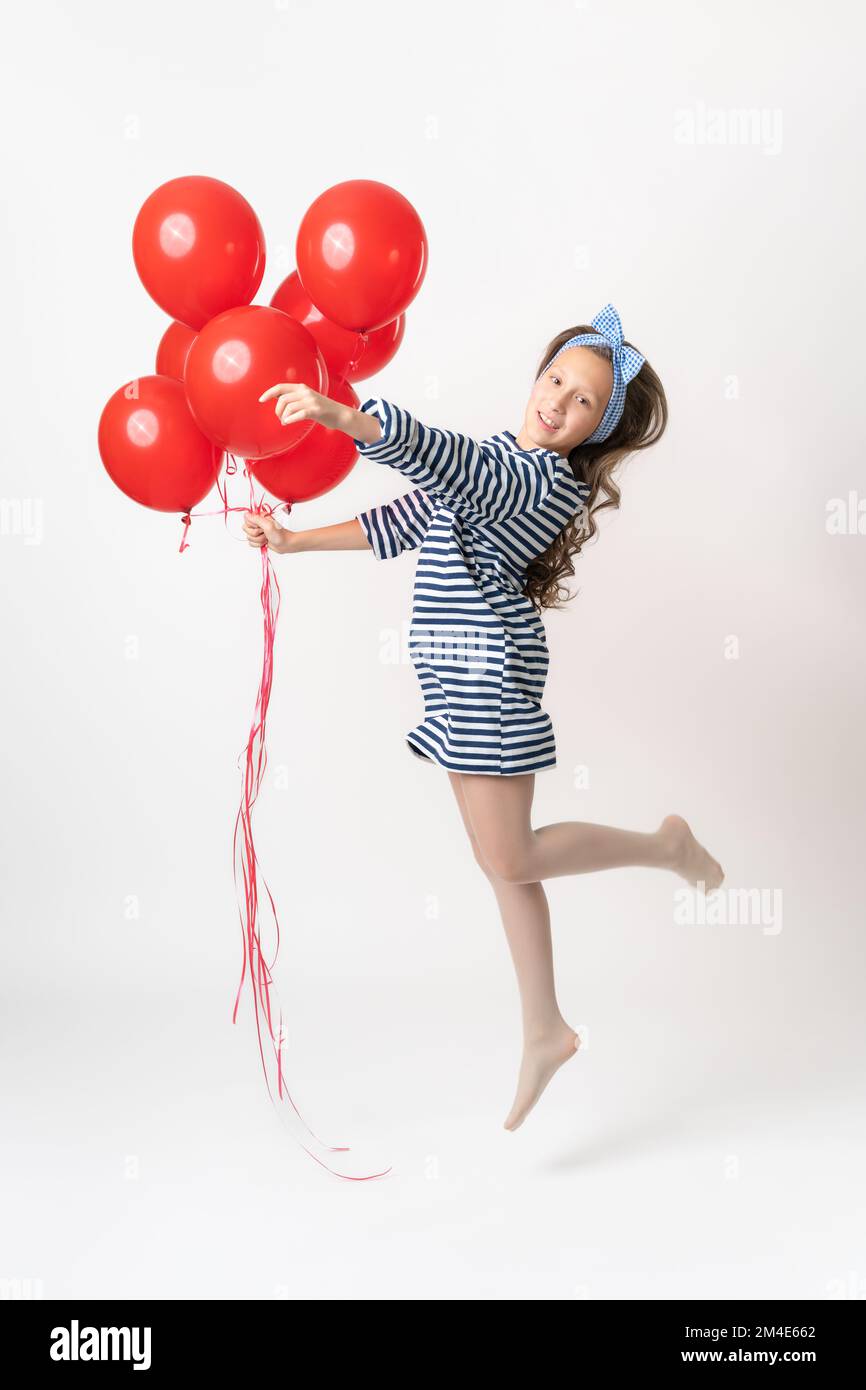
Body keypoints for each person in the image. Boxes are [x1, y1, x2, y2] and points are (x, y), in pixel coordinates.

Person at [243, 303, 724, 1132]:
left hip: (488, 676)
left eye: (581, 402)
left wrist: (345, 418)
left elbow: (451, 464)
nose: (558, 401)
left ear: (593, 433)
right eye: (555, 379)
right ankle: (544, 1026)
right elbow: (404, 520)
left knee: (513, 854)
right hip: (452, 676)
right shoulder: (502, 459)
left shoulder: (539, 481)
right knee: (502, 862)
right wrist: (294, 543)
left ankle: (664, 848)